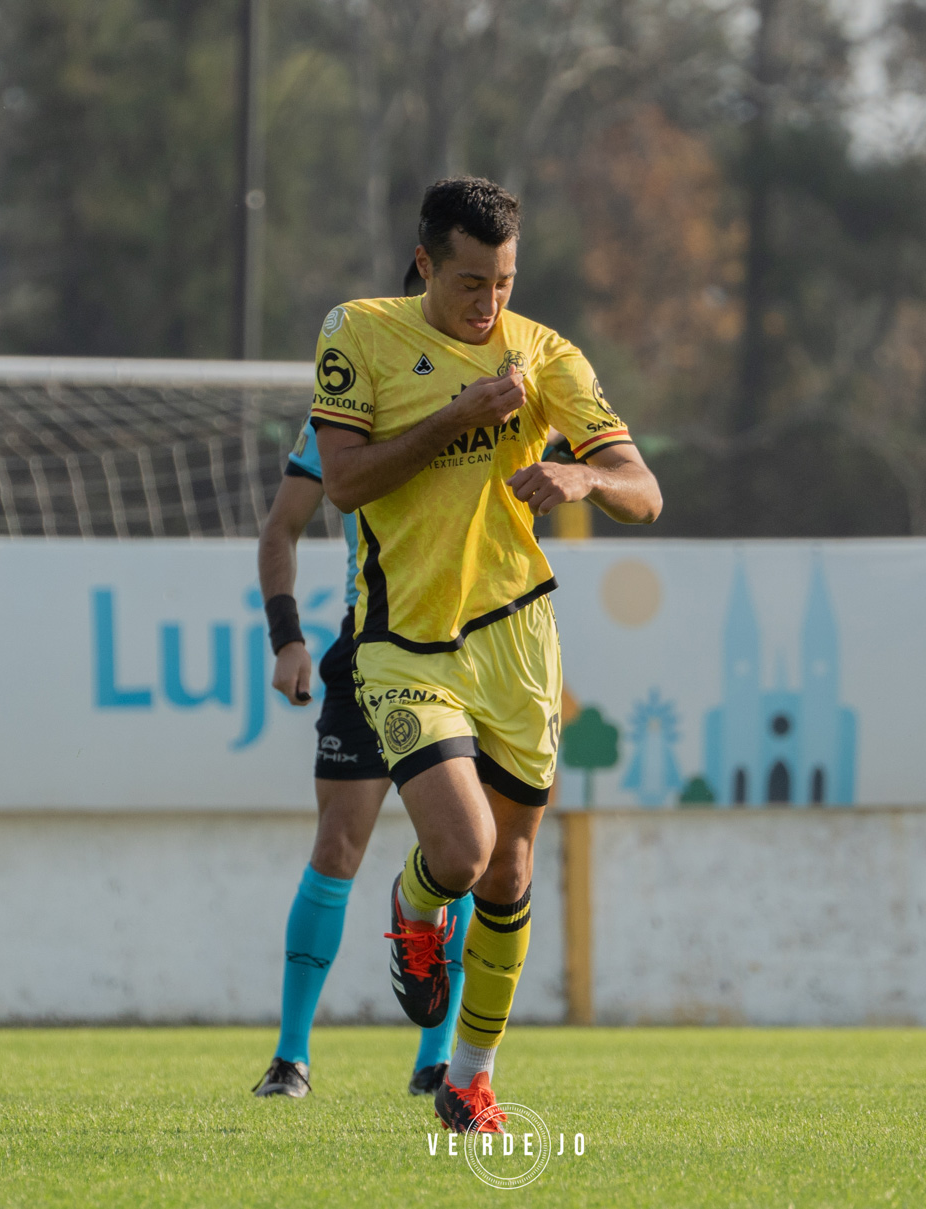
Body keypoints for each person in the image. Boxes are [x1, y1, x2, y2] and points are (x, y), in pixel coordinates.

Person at [310, 177, 661, 1132]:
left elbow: (645, 489)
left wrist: (585, 473)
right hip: (402, 641)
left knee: (509, 872)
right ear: (425, 263)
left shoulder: (543, 352)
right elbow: (342, 484)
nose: (489, 304)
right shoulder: (359, 332)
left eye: (504, 282)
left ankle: (470, 1080)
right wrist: (454, 420)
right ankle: (413, 908)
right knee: (459, 854)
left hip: (516, 639)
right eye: (471, 283)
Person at [250, 412, 475, 1100]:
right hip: (371, 648)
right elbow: (281, 526)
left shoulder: (490, 395)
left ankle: (436, 1056)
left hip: (466, 651)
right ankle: (291, 1059)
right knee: (338, 844)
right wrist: (287, 637)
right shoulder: (345, 411)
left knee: (464, 852)